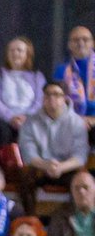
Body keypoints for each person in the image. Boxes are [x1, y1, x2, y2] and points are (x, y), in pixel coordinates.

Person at [17, 81, 90, 217]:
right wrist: (46, 165)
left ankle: (74, 221)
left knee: (81, 179)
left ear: (65, 98)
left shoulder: (77, 123)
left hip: (67, 168)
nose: (51, 99)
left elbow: (80, 156)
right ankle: (30, 220)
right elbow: (28, 154)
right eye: (47, 95)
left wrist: (61, 167)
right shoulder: (30, 122)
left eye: (56, 95)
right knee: (24, 175)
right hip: (40, 167)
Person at [0, 36, 46, 139]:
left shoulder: (37, 76)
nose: (15, 53)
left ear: (27, 54)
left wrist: (26, 117)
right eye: (11, 50)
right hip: (5, 122)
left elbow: (40, 101)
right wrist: (10, 117)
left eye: (19, 50)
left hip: (31, 120)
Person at [54, 25, 95, 140]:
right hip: (71, 122)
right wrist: (77, 120)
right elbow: (58, 102)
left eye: (85, 39)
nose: (80, 43)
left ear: (92, 43)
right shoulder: (61, 70)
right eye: (76, 40)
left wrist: (92, 120)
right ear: (69, 45)